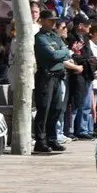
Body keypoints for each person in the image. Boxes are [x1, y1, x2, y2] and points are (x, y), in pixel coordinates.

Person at [33, 9, 71, 154]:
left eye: (54, 21)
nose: (53, 23)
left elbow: (65, 51)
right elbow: (54, 55)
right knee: (44, 109)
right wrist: (62, 52)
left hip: (57, 76)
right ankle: (40, 141)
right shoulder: (40, 38)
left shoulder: (54, 36)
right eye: (50, 20)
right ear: (42, 21)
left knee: (56, 109)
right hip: (46, 76)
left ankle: (52, 138)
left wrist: (62, 52)